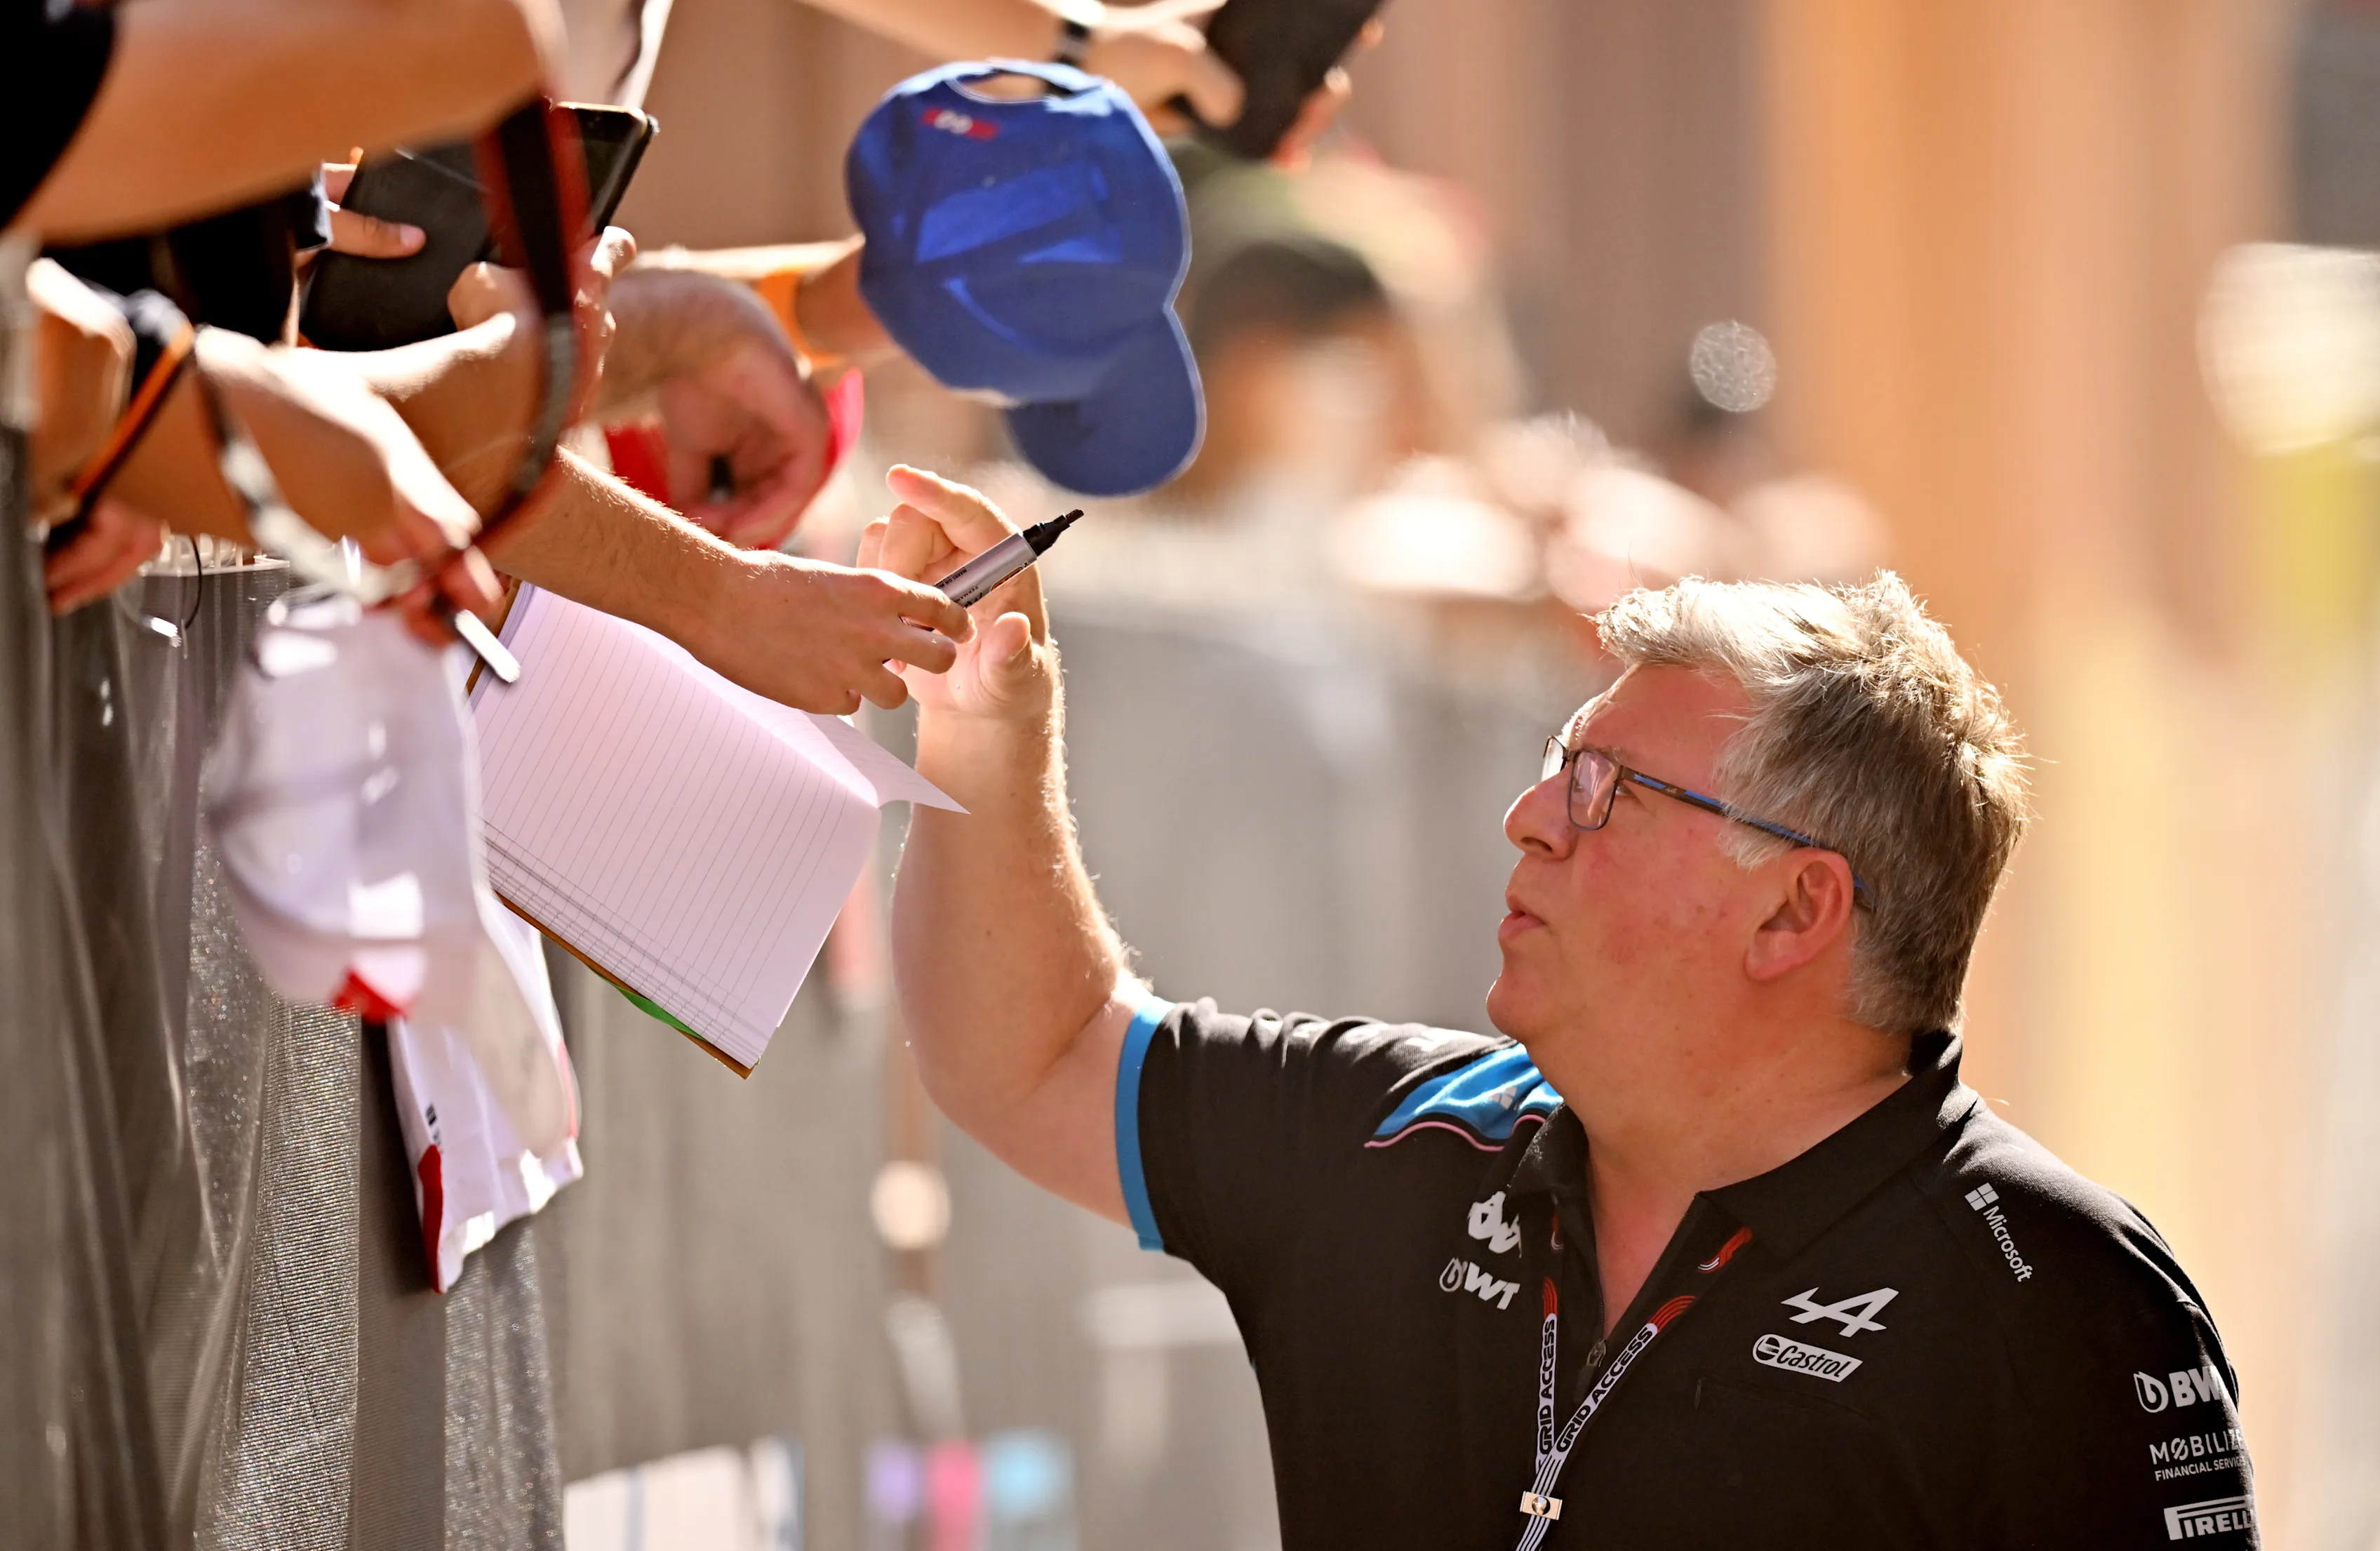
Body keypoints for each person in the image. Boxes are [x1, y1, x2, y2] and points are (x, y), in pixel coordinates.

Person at [871, 467, 2259, 1549]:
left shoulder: (2056, 1303)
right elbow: (1036, 1055)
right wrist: (988, 722)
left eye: (1605, 790)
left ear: (1793, 910)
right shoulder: (1407, 1138)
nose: (1528, 815)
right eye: (1557, 762)